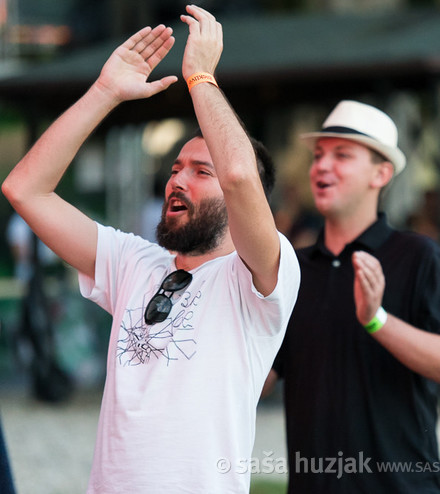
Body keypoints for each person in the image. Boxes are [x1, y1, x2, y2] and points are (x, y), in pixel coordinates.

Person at [2, 6, 299, 492]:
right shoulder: (133, 262)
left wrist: (201, 76)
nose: (177, 180)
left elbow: (241, 174)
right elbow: (25, 189)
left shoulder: (260, 279)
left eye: (203, 172)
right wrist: (104, 92)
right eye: (175, 167)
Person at [265, 100, 440, 492]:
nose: (322, 166)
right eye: (318, 156)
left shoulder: (417, 255)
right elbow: (258, 378)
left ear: (381, 173)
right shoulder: (291, 270)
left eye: (342, 155)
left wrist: (375, 319)